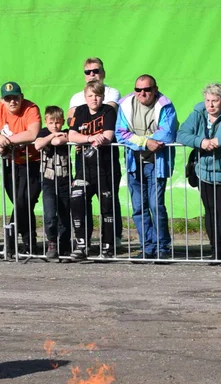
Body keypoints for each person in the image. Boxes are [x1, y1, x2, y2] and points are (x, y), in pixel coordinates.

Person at [116, 75, 179, 260]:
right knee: (138, 207)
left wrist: (140, 139)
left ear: (155, 89)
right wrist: (145, 141)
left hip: (156, 163)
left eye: (147, 89)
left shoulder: (165, 106)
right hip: (134, 163)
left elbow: (166, 134)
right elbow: (120, 134)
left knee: (155, 205)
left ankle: (162, 246)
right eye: (138, 90)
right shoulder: (125, 105)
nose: (142, 93)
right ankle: (147, 246)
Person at [0, 81, 43, 255]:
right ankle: (30, 243)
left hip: (33, 162)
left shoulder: (30, 108)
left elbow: (32, 133)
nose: (12, 102)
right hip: (11, 164)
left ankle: (11, 239)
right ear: (2, 100)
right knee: (20, 203)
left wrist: (7, 141)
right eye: (8, 99)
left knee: (25, 201)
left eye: (15, 97)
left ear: (21, 97)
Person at [68, 80, 120, 260]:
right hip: (84, 169)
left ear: (103, 97)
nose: (94, 99)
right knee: (78, 202)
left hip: (106, 168)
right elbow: (71, 135)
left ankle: (108, 246)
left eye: (98, 95)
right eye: (90, 95)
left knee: (107, 207)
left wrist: (97, 139)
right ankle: (82, 244)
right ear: (85, 97)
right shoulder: (80, 111)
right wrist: (90, 138)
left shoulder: (108, 111)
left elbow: (108, 135)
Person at [177, 84, 221, 260]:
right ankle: (216, 250)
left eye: (215, 101)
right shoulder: (198, 113)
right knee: (210, 212)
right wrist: (201, 141)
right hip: (204, 172)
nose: (210, 105)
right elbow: (181, 134)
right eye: (208, 100)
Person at [34, 106, 72, 260]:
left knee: (64, 214)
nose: (55, 126)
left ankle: (64, 245)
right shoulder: (43, 133)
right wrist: (52, 135)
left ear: (62, 122)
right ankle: (51, 243)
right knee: (50, 215)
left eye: (57, 123)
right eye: (51, 123)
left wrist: (57, 136)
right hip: (48, 181)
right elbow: (38, 145)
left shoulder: (67, 133)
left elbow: (59, 141)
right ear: (46, 122)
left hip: (64, 179)